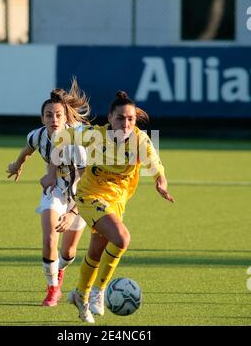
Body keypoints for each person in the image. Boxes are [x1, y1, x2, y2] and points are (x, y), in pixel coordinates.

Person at [41, 91, 174, 322]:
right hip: (89, 195)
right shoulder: (93, 135)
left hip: (116, 200)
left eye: (131, 119)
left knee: (96, 252)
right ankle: (98, 292)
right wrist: (51, 174)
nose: (126, 123)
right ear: (110, 118)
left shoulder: (141, 140)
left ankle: (79, 296)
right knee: (122, 238)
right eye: (121, 118)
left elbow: (155, 163)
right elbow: (60, 138)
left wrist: (160, 182)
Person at [6, 79, 95, 307]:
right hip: (54, 190)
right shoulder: (38, 136)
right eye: (48, 115)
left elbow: (88, 177)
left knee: (69, 252)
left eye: (58, 115)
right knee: (49, 238)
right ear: (42, 118)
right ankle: (52, 288)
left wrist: (73, 212)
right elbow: (27, 150)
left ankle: (60, 270)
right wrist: (17, 165)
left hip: (81, 193)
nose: (53, 120)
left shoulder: (80, 138)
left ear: (66, 118)